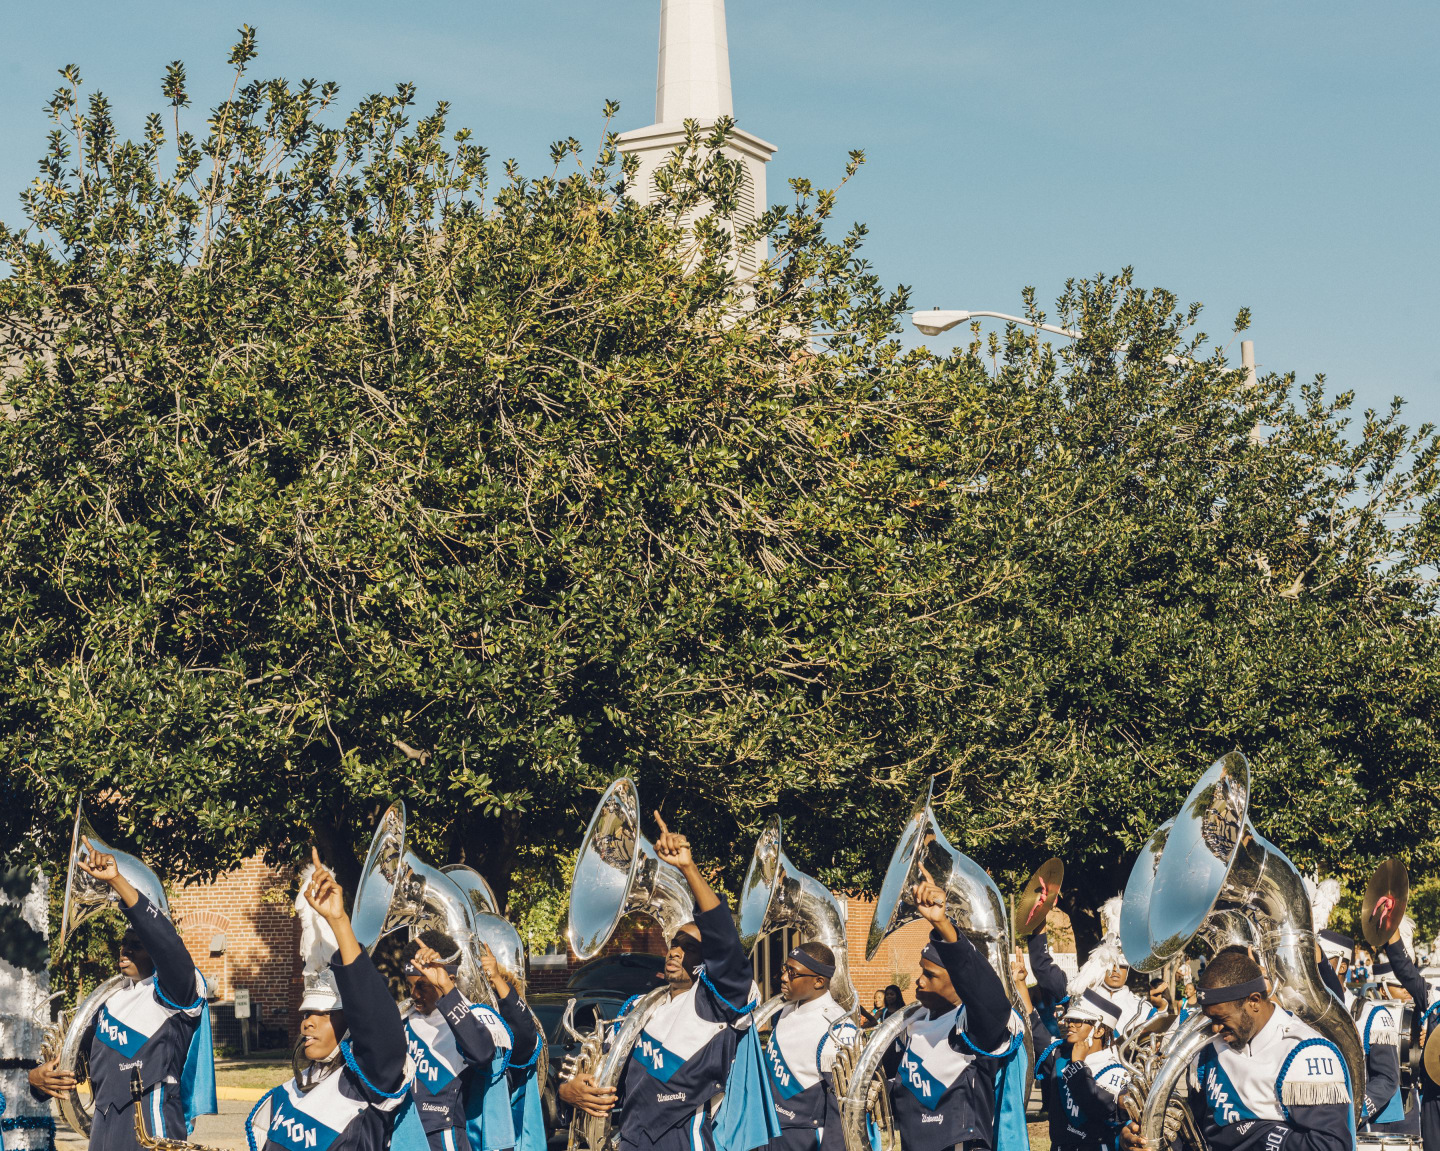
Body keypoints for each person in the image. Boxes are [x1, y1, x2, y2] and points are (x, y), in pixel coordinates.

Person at [558, 813, 759, 1151]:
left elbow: (725, 945)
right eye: (675, 943)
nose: (676, 951)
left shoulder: (717, 1003)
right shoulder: (639, 1006)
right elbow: (601, 1073)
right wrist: (569, 1090)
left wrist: (688, 868)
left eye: (691, 948)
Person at [27, 839, 214, 1151]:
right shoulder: (107, 1003)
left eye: (137, 944)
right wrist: (37, 1080)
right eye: (123, 942)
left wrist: (116, 880)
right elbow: (66, 1067)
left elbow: (167, 945)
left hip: (152, 1136)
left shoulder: (178, 990)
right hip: (102, 1138)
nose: (125, 949)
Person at [245, 851, 412, 1151]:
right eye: (307, 1013)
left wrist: (338, 922)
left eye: (322, 1014)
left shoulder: (369, 1080)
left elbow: (375, 1021)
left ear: (352, 1024)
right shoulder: (290, 1091)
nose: (308, 1021)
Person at [1119, 946, 1351, 1151]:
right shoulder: (1211, 1046)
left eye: (1222, 1018)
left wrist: (1243, 1133)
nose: (1216, 1028)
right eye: (1211, 1019)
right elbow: (1199, 1129)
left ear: (1253, 1000)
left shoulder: (1306, 1051)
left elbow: (1329, 1145)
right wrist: (1143, 1135)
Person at [881, 865, 1023, 1151]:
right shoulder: (917, 1019)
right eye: (922, 971)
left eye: (930, 976)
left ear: (959, 985)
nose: (918, 981)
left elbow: (988, 996)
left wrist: (943, 924)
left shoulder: (974, 1025)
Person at [400, 931, 540, 1151]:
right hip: (404, 1134)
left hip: (444, 1137)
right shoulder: (403, 1018)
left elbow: (484, 1052)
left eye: (422, 986)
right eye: (410, 986)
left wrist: (447, 988)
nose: (414, 995)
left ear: (451, 979)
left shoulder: (471, 1016)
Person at [760, 942, 858, 1151]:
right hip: (771, 1131)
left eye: (793, 973)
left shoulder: (838, 1028)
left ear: (819, 981)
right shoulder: (787, 1008)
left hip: (803, 1138)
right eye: (785, 969)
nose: (784, 977)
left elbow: (841, 1108)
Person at [1016, 968, 1127, 1151]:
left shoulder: (1116, 1073)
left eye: (1078, 1021)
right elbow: (1034, 1027)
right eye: (1069, 1020)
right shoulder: (1060, 1054)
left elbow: (1097, 1107)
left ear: (1099, 1030)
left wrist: (1078, 1065)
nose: (1070, 1026)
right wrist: (1020, 983)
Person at [1026, 930, 1072, 1040]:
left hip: (1050, 1028)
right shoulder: (1066, 989)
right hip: (1045, 1032)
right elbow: (1042, 968)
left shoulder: (1036, 991)